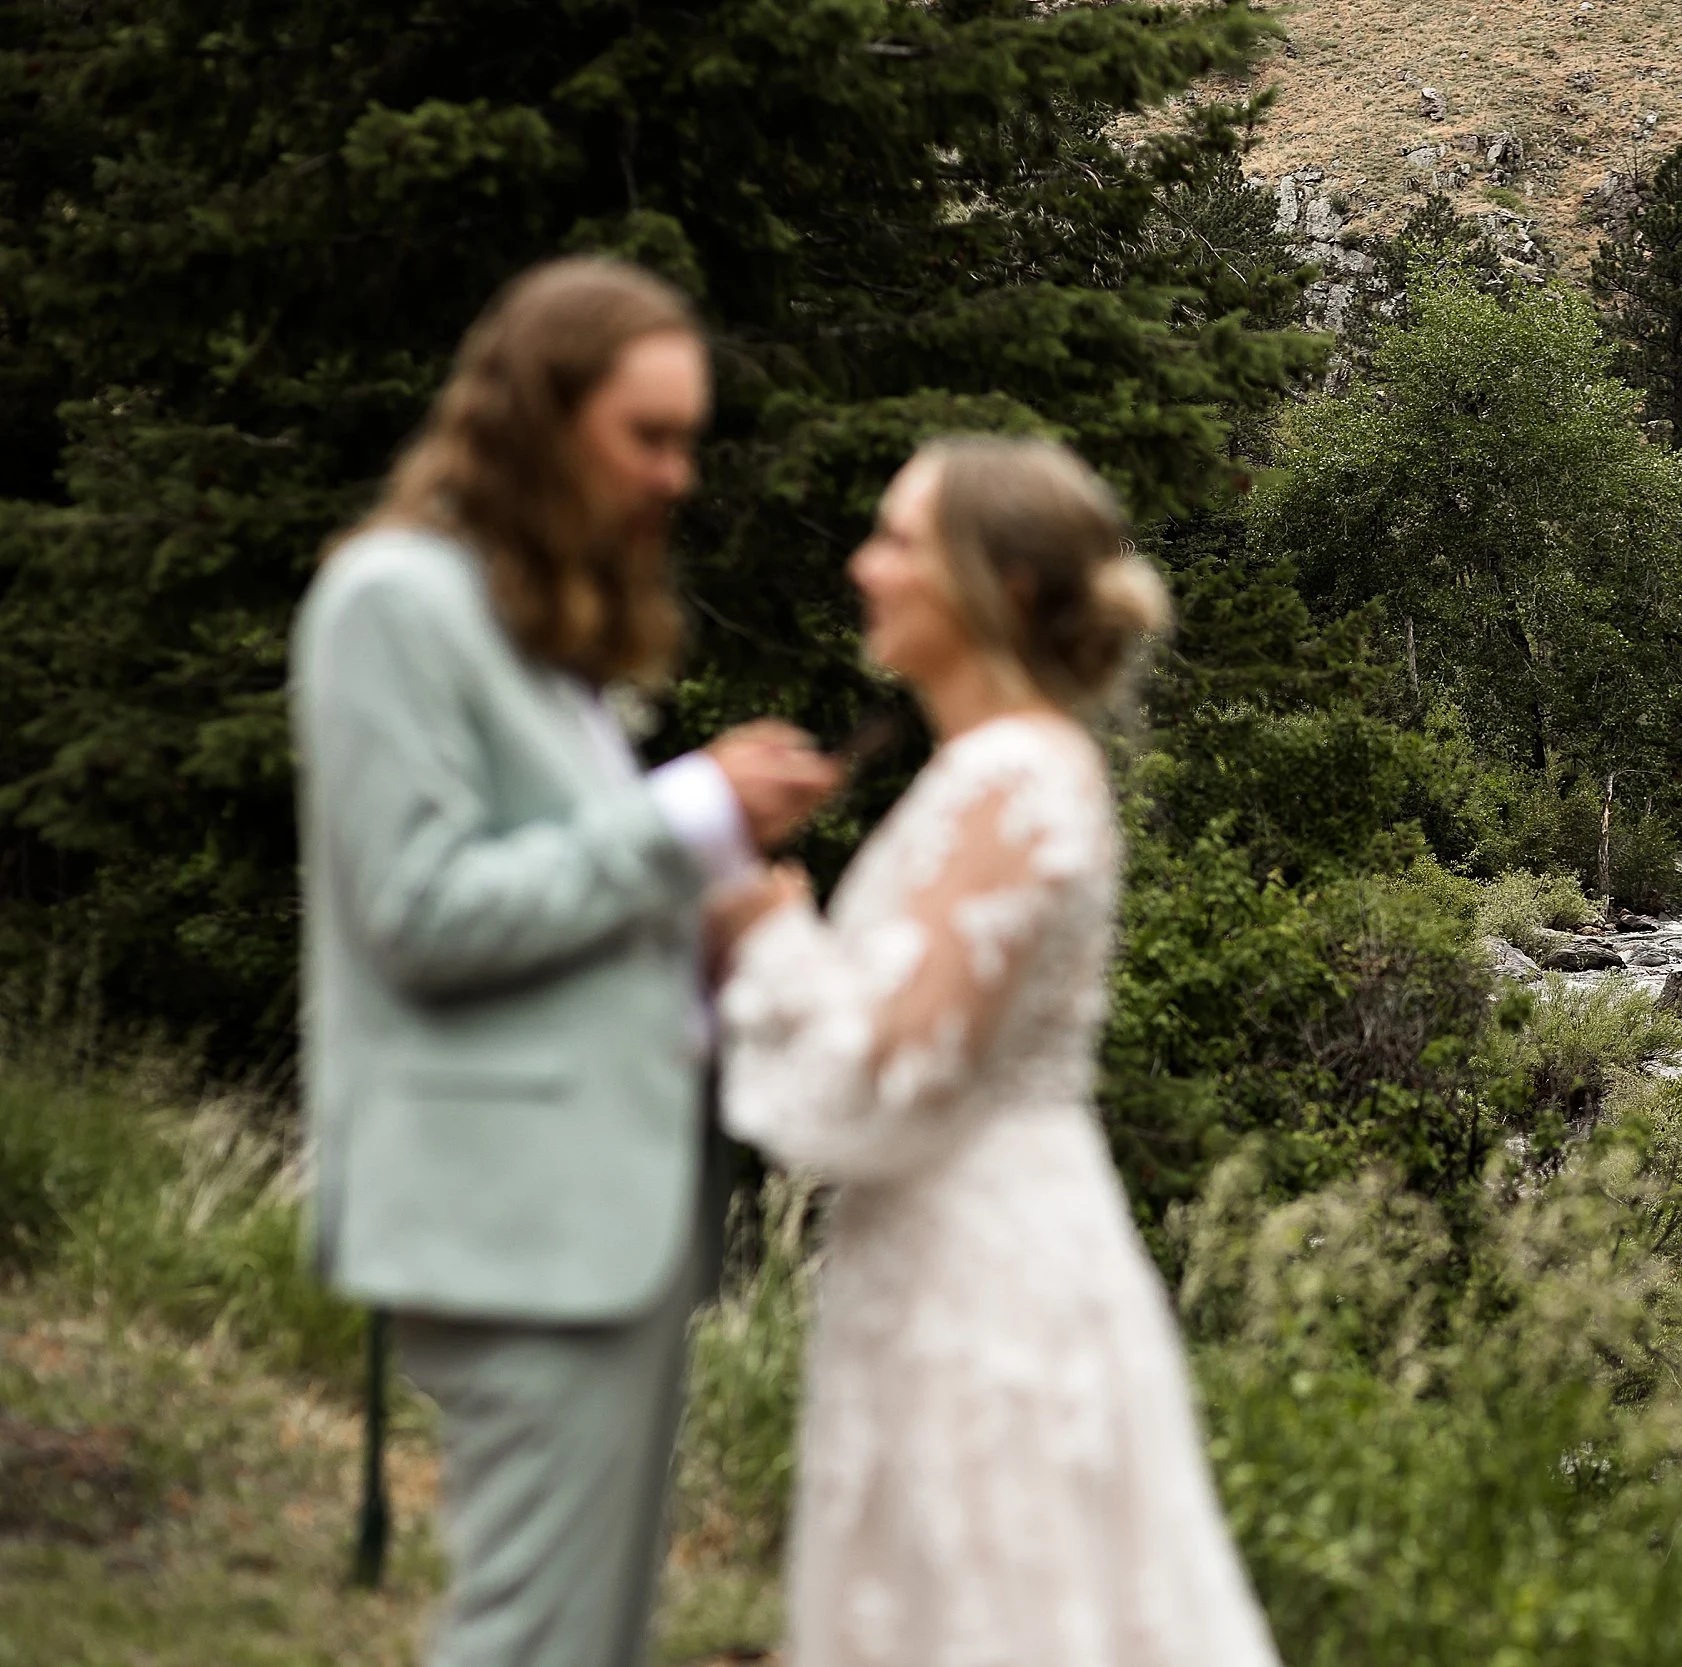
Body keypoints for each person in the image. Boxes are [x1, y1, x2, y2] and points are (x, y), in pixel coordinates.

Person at [289, 256, 839, 1667]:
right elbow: (416, 910)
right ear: (537, 418)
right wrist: (692, 812)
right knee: (531, 1634)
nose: (674, 477)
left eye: (688, 442)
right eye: (646, 436)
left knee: (587, 1634)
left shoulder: (538, 636)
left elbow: (553, 906)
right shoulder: (391, 604)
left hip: (605, 1214)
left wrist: (699, 939)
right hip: (512, 1218)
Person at [707, 437, 1279, 1666]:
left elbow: (904, 1073)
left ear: (1004, 587)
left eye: (900, 540)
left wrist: (766, 937)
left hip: (989, 1275)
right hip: (936, 1250)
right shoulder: (981, 773)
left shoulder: (1016, 779)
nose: (863, 566)